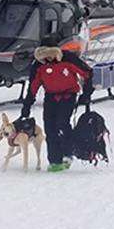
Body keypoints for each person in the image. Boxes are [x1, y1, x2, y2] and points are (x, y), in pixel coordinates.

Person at [20, 40, 92, 172]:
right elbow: (32, 87)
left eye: (50, 55)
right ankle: (54, 160)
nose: (47, 58)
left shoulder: (68, 58)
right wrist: (26, 107)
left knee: (62, 123)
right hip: (51, 97)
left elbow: (87, 72)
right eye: (43, 56)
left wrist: (86, 94)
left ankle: (68, 153)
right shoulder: (38, 66)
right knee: (49, 127)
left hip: (68, 95)